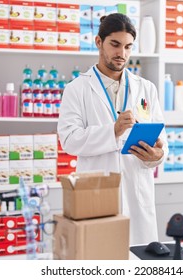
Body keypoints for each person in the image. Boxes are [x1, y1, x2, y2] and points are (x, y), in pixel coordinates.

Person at [57, 13, 168, 245]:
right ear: (99, 42)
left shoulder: (146, 88)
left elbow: (160, 142)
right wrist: (113, 130)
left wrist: (157, 156)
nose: (122, 54)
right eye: (115, 45)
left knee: (139, 260)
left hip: (137, 194)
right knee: (99, 258)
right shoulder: (77, 89)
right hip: (96, 193)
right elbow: (69, 140)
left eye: (128, 47)